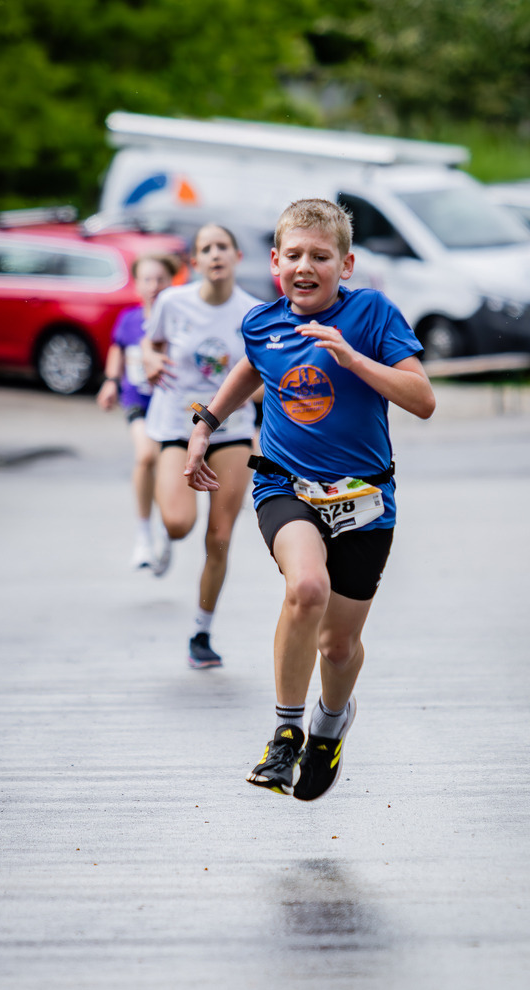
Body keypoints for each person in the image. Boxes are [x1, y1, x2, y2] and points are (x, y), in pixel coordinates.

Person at [184, 198, 436, 800]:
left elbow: (423, 399)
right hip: (284, 484)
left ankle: (329, 727)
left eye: (320, 256)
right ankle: (286, 734)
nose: (305, 266)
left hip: (366, 495)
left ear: (344, 265)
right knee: (306, 588)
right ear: (274, 262)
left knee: (339, 644)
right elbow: (253, 367)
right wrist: (205, 423)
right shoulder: (262, 322)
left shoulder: (373, 314)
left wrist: (354, 358)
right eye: (293, 255)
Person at [142, 223, 261, 669]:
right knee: (177, 525)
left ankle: (201, 631)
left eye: (223, 247)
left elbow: (267, 375)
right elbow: (148, 344)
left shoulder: (254, 313)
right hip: (177, 423)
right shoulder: (173, 302)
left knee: (221, 536)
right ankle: (162, 513)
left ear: (236, 256)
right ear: (194, 261)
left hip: (231, 429)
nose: (215, 254)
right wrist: (149, 358)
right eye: (205, 249)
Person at [97, 252, 183, 575]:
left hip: (170, 405)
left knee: (165, 467)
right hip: (137, 401)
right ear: (137, 285)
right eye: (147, 279)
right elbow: (117, 348)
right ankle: (143, 535)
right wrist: (109, 382)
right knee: (146, 455)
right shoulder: (130, 319)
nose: (153, 286)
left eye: (160, 279)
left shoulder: (177, 319)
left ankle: (165, 531)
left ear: (172, 282)